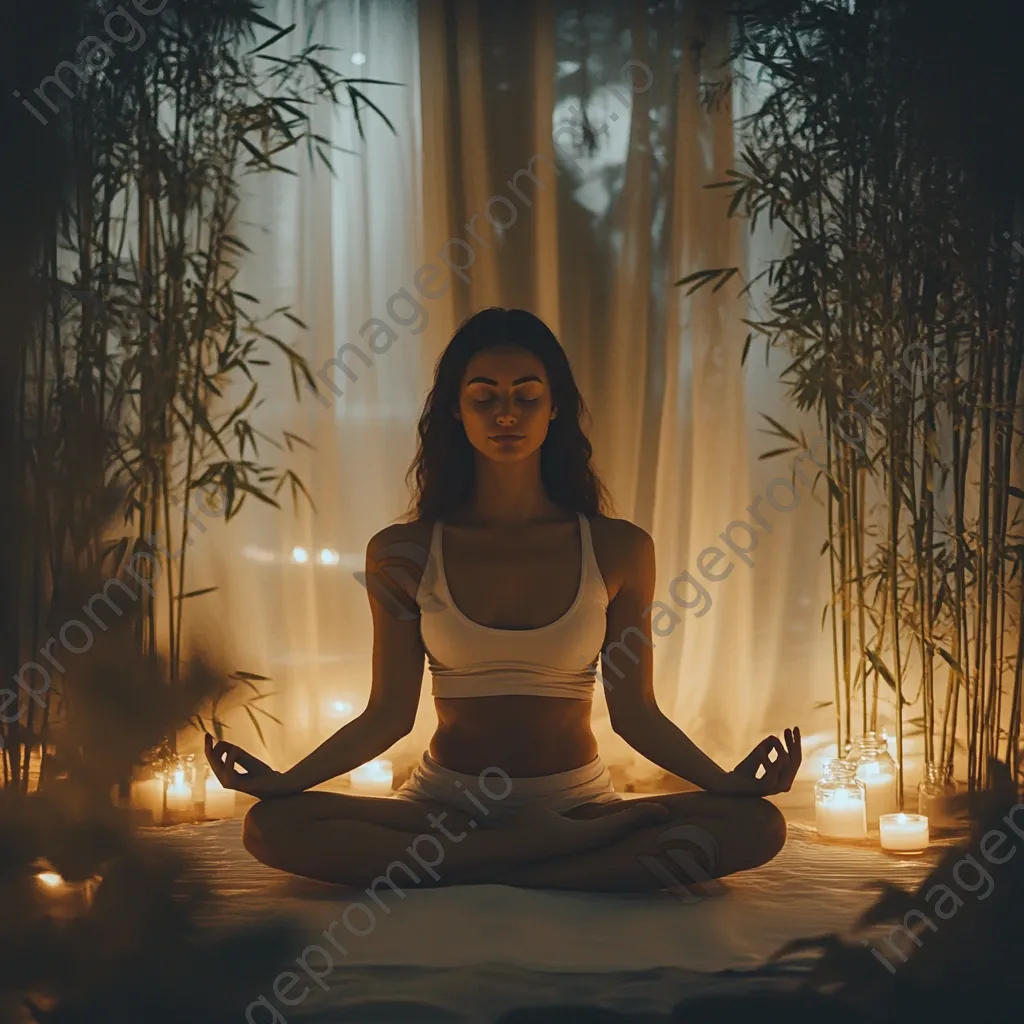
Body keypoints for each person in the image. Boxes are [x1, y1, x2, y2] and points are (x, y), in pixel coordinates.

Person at [206, 307, 800, 891]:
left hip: (576, 804)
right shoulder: (401, 551)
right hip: (443, 808)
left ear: (554, 408)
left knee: (755, 824)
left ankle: (492, 860)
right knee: (271, 826)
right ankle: (549, 860)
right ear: (456, 413)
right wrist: (289, 781)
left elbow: (635, 712)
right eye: (484, 397)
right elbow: (387, 714)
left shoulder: (618, 548)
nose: (506, 414)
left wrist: (726, 783)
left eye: (527, 395)